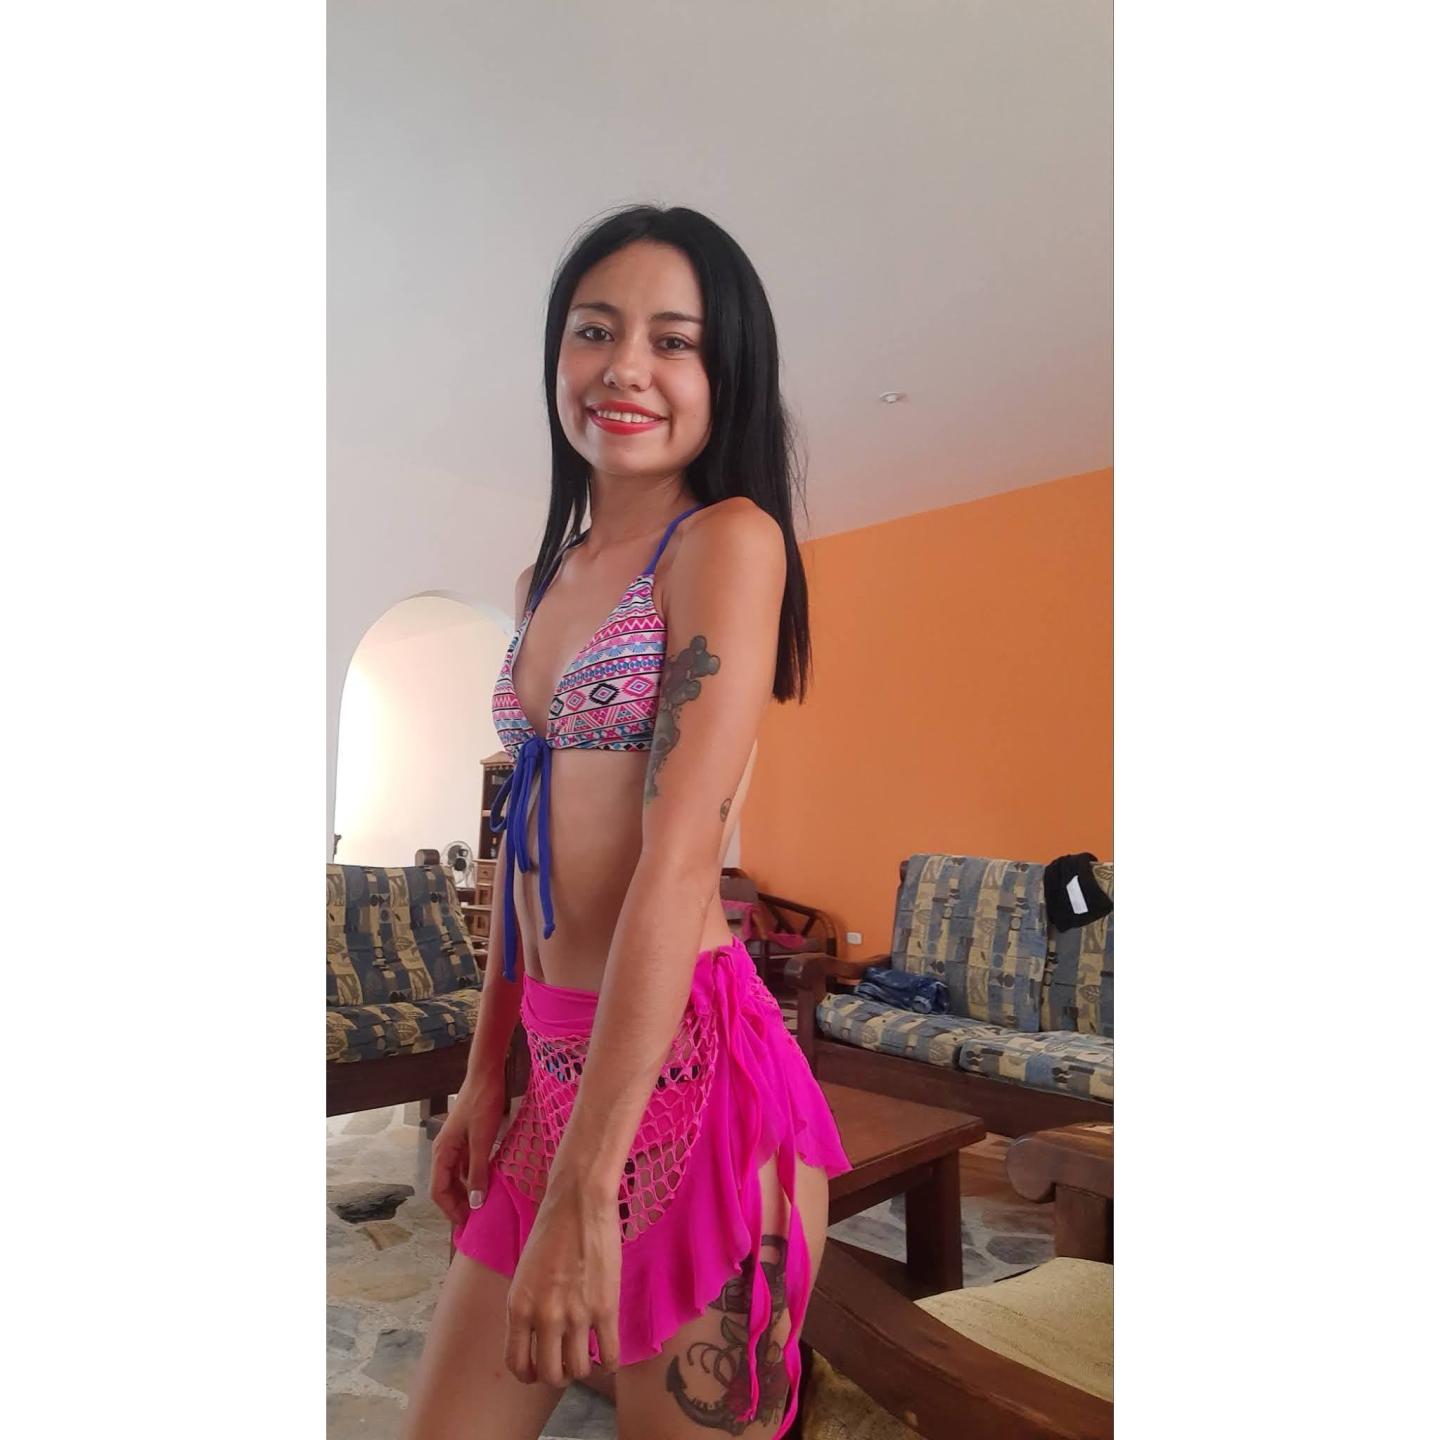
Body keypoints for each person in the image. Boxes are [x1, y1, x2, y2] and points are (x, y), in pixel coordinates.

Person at [403, 205, 852, 1440]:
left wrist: (586, 1185)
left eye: (674, 340)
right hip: (554, 1075)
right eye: (595, 331)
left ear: (726, 370)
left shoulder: (728, 541)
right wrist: (484, 1071)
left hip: (695, 1091)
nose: (626, 368)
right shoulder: (542, 580)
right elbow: (524, 846)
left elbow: (677, 860)